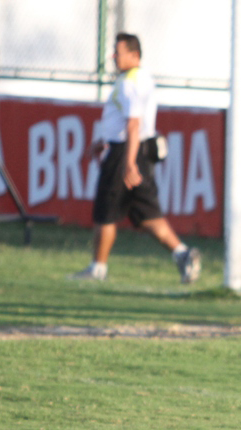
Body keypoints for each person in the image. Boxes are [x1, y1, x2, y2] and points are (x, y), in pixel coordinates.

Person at [71, 33, 201, 283]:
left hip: (126, 153)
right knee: (148, 214)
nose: (113, 57)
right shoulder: (139, 78)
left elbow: (133, 125)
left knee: (106, 211)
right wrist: (103, 142)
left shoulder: (131, 82)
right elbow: (124, 123)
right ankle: (183, 254)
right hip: (134, 150)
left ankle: (97, 269)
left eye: (118, 53)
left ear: (134, 55)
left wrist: (128, 162)